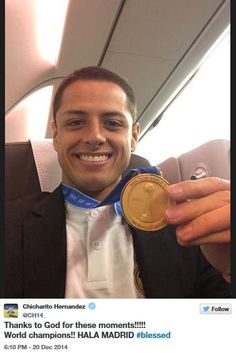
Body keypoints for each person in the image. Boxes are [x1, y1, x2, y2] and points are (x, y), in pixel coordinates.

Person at [5, 66, 230, 298]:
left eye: (112, 123)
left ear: (133, 137)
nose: (95, 137)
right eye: (75, 123)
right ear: (56, 136)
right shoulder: (9, 225)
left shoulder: (186, 228)